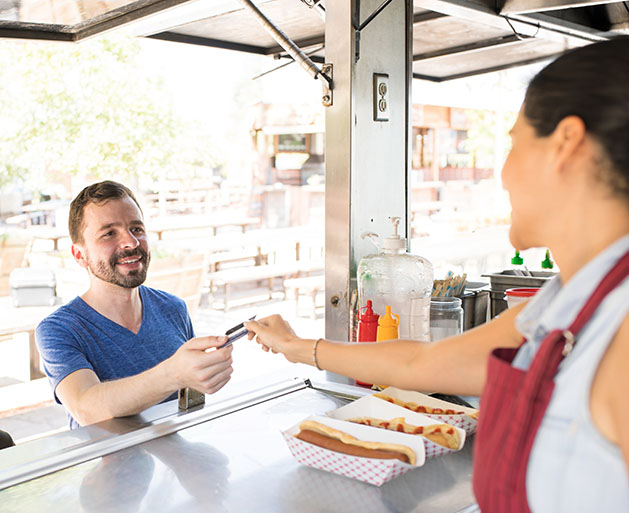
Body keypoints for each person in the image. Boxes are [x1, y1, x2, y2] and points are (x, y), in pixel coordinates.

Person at [245, 38, 629, 512]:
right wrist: (296, 347)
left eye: (513, 144)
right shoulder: (571, 300)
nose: (503, 174)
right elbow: (421, 366)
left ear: (566, 144)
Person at [36, 181, 233, 430]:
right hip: (109, 466)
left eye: (136, 228)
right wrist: (174, 373)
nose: (131, 242)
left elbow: (186, 402)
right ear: (79, 255)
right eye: (109, 233)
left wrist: (205, 373)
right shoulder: (59, 330)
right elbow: (86, 409)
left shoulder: (174, 308)